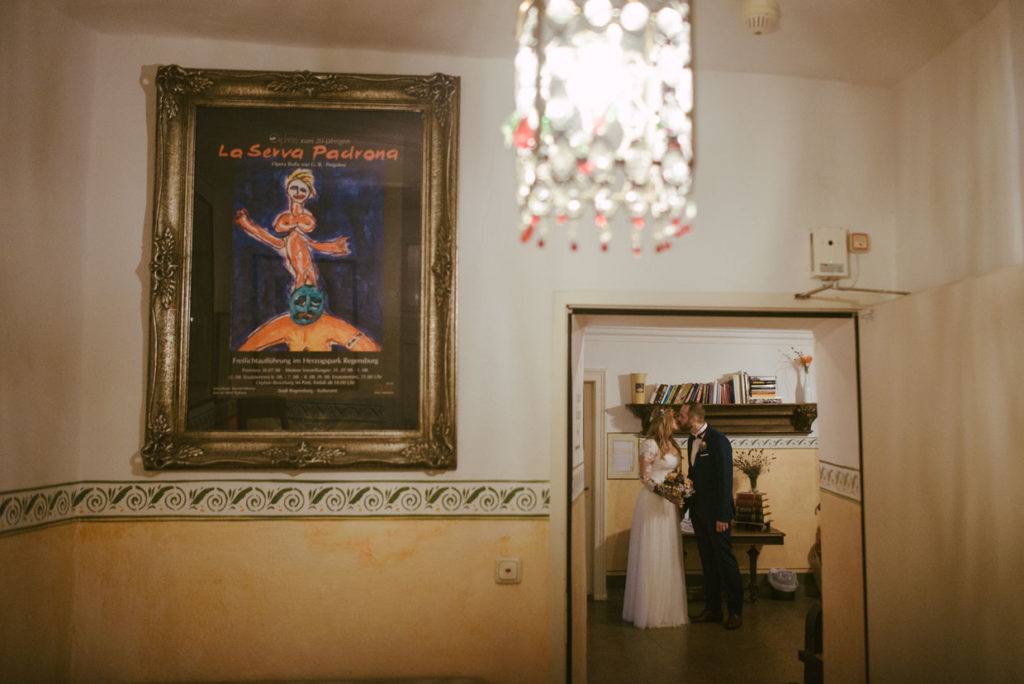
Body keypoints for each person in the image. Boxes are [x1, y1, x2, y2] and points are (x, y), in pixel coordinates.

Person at [622, 408, 689, 628]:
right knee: (652, 549)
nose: (679, 421)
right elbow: (644, 476)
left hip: (668, 504)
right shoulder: (650, 444)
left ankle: (667, 608)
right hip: (652, 501)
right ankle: (648, 610)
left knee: (667, 551)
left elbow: (673, 474)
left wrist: (680, 487)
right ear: (666, 421)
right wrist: (665, 493)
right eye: (675, 419)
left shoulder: (673, 444)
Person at [234, 168, 351, 293]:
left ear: (309, 194)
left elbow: (306, 230)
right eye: (294, 188)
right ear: (287, 190)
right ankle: (303, 284)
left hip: (296, 247)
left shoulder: (307, 218)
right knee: (286, 242)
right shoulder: (285, 218)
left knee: (294, 245)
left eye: (303, 190)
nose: (298, 192)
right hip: (290, 247)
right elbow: (280, 228)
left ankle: (303, 284)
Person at [684, 401, 744, 629]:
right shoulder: (690, 440)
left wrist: (723, 515)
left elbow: (725, 480)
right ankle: (713, 609)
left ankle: (735, 611)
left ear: (693, 418)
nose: (678, 418)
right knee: (707, 561)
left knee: (725, 561)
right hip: (698, 512)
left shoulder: (718, 440)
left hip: (717, 514)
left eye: (681, 414)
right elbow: (694, 473)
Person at [239, 284, 380, 352]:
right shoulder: (282, 324)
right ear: (290, 303)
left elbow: (369, 348)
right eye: (300, 303)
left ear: (322, 306)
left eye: (314, 304)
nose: (306, 309)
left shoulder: (331, 325)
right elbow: (246, 350)